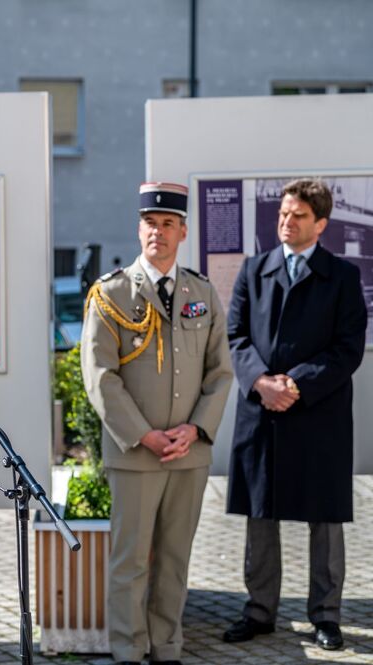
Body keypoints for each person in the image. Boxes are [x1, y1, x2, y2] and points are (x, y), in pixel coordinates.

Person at [81, 183, 233, 665]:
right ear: (139, 228)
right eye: (150, 222)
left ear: (183, 232)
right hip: (136, 453)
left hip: (188, 453)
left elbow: (220, 371)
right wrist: (143, 434)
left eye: (168, 224)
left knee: (174, 559)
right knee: (130, 561)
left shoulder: (201, 292)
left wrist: (195, 429)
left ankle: (167, 648)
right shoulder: (112, 293)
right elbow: (99, 375)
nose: (158, 232)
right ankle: (128, 650)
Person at [222, 179, 367, 651]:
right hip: (262, 412)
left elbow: (348, 348)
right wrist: (262, 382)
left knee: (324, 517)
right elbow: (236, 336)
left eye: (298, 215)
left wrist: (296, 384)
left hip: (319, 413)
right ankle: (259, 610)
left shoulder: (342, 277)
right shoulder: (254, 269)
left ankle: (325, 615)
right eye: (284, 213)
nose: (286, 221)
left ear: (321, 224)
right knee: (260, 514)